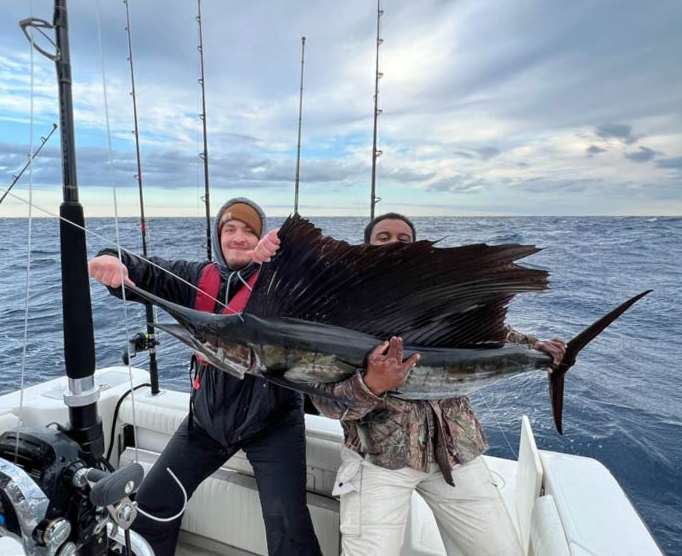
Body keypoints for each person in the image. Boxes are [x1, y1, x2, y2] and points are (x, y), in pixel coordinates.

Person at [256, 212, 566, 556]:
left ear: (414, 248)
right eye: (383, 237)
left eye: (402, 240)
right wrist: (371, 385)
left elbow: (489, 337)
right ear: (366, 249)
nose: (393, 243)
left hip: (457, 454)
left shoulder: (434, 295)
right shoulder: (341, 311)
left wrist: (535, 347)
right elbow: (329, 404)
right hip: (378, 462)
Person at [88, 198, 321, 556]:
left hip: (274, 424)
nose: (239, 238)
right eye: (230, 230)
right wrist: (113, 260)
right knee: (150, 505)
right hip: (207, 421)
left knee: (289, 527)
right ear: (218, 236)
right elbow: (147, 272)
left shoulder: (280, 285)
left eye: (249, 231)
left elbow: (315, 282)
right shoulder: (197, 277)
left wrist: (287, 255)